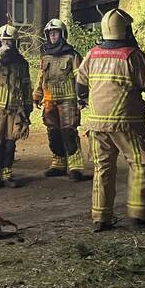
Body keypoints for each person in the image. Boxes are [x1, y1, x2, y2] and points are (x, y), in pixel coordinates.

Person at [76, 8, 145, 232]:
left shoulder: (92, 54)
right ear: (125, 30)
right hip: (127, 123)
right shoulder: (132, 55)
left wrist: (86, 102)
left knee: (103, 168)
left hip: (96, 124)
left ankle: (100, 218)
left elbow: (80, 84)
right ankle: (138, 214)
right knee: (140, 162)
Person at [0, 24, 33, 189]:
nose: (6, 44)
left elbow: (26, 86)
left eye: (9, 42)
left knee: (10, 144)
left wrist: (28, 108)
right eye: (2, 41)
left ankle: (6, 173)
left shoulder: (21, 64)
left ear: (15, 43)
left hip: (14, 109)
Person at [34, 18, 85, 181]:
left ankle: (75, 166)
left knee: (69, 131)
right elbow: (41, 77)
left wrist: (81, 97)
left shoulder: (72, 55)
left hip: (68, 100)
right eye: (50, 34)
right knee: (53, 132)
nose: (52, 37)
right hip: (50, 100)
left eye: (55, 33)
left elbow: (81, 78)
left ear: (62, 34)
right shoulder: (45, 56)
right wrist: (37, 94)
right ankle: (58, 163)